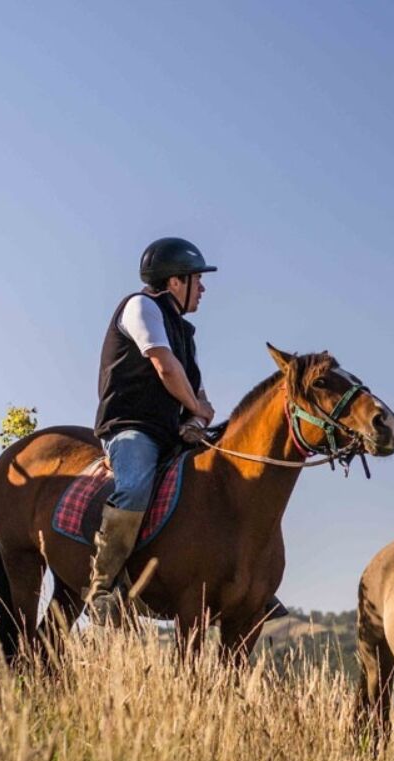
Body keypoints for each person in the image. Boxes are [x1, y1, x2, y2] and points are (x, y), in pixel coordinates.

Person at [88, 236, 288, 622]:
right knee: (134, 487)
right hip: (131, 428)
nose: (204, 288)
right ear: (175, 281)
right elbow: (164, 366)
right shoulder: (140, 307)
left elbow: (196, 391)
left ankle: (253, 585)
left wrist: (197, 419)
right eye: (198, 279)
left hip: (172, 433)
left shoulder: (185, 334)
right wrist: (196, 408)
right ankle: (102, 587)